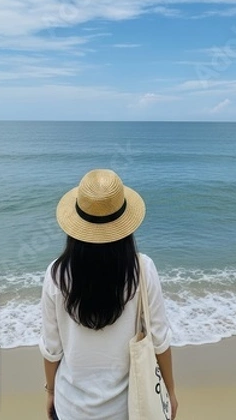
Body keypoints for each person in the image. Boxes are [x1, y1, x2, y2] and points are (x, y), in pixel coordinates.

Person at [39, 168, 178, 420]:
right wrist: (170, 390)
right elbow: (160, 339)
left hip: (70, 408)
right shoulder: (141, 269)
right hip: (128, 410)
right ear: (124, 223)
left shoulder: (56, 274)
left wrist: (50, 391)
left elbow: (51, 349)